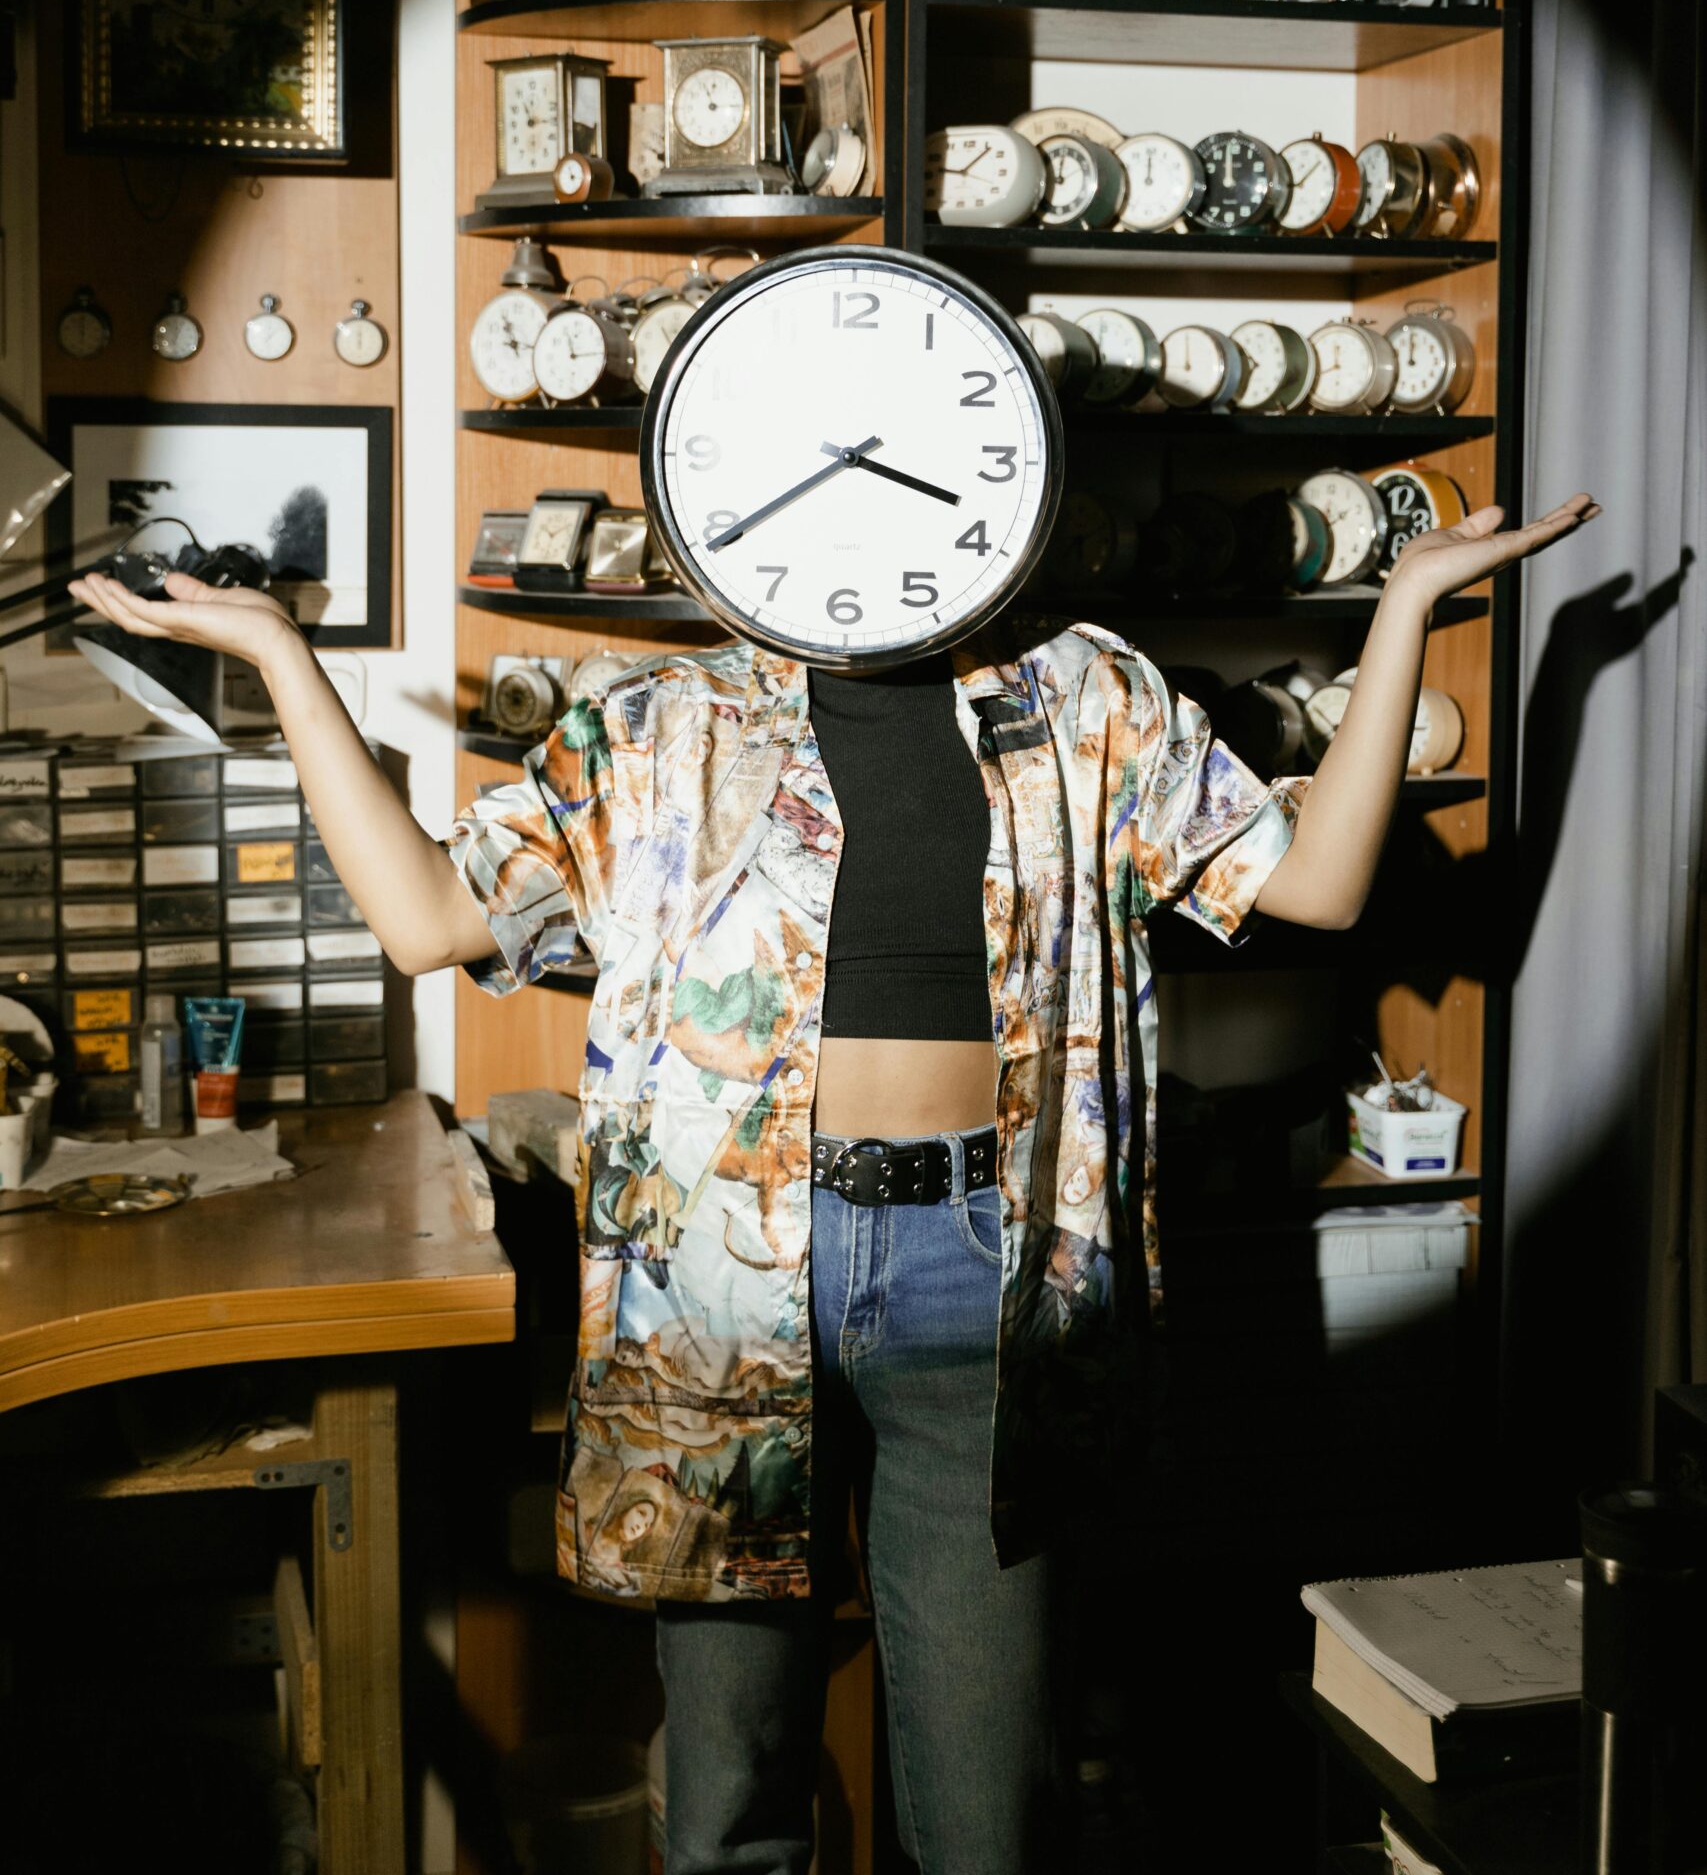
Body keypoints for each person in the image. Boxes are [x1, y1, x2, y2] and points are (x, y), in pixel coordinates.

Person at [68, 478, 1598, 1875]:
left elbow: (1314, 882)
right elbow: (426, 919)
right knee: (728, 1796)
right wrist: (281, 658)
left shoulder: (1088, 693)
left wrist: (1404, 611)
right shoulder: (659, 720)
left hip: (988, 1279)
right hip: (726, 1296)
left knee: (989, 1817)